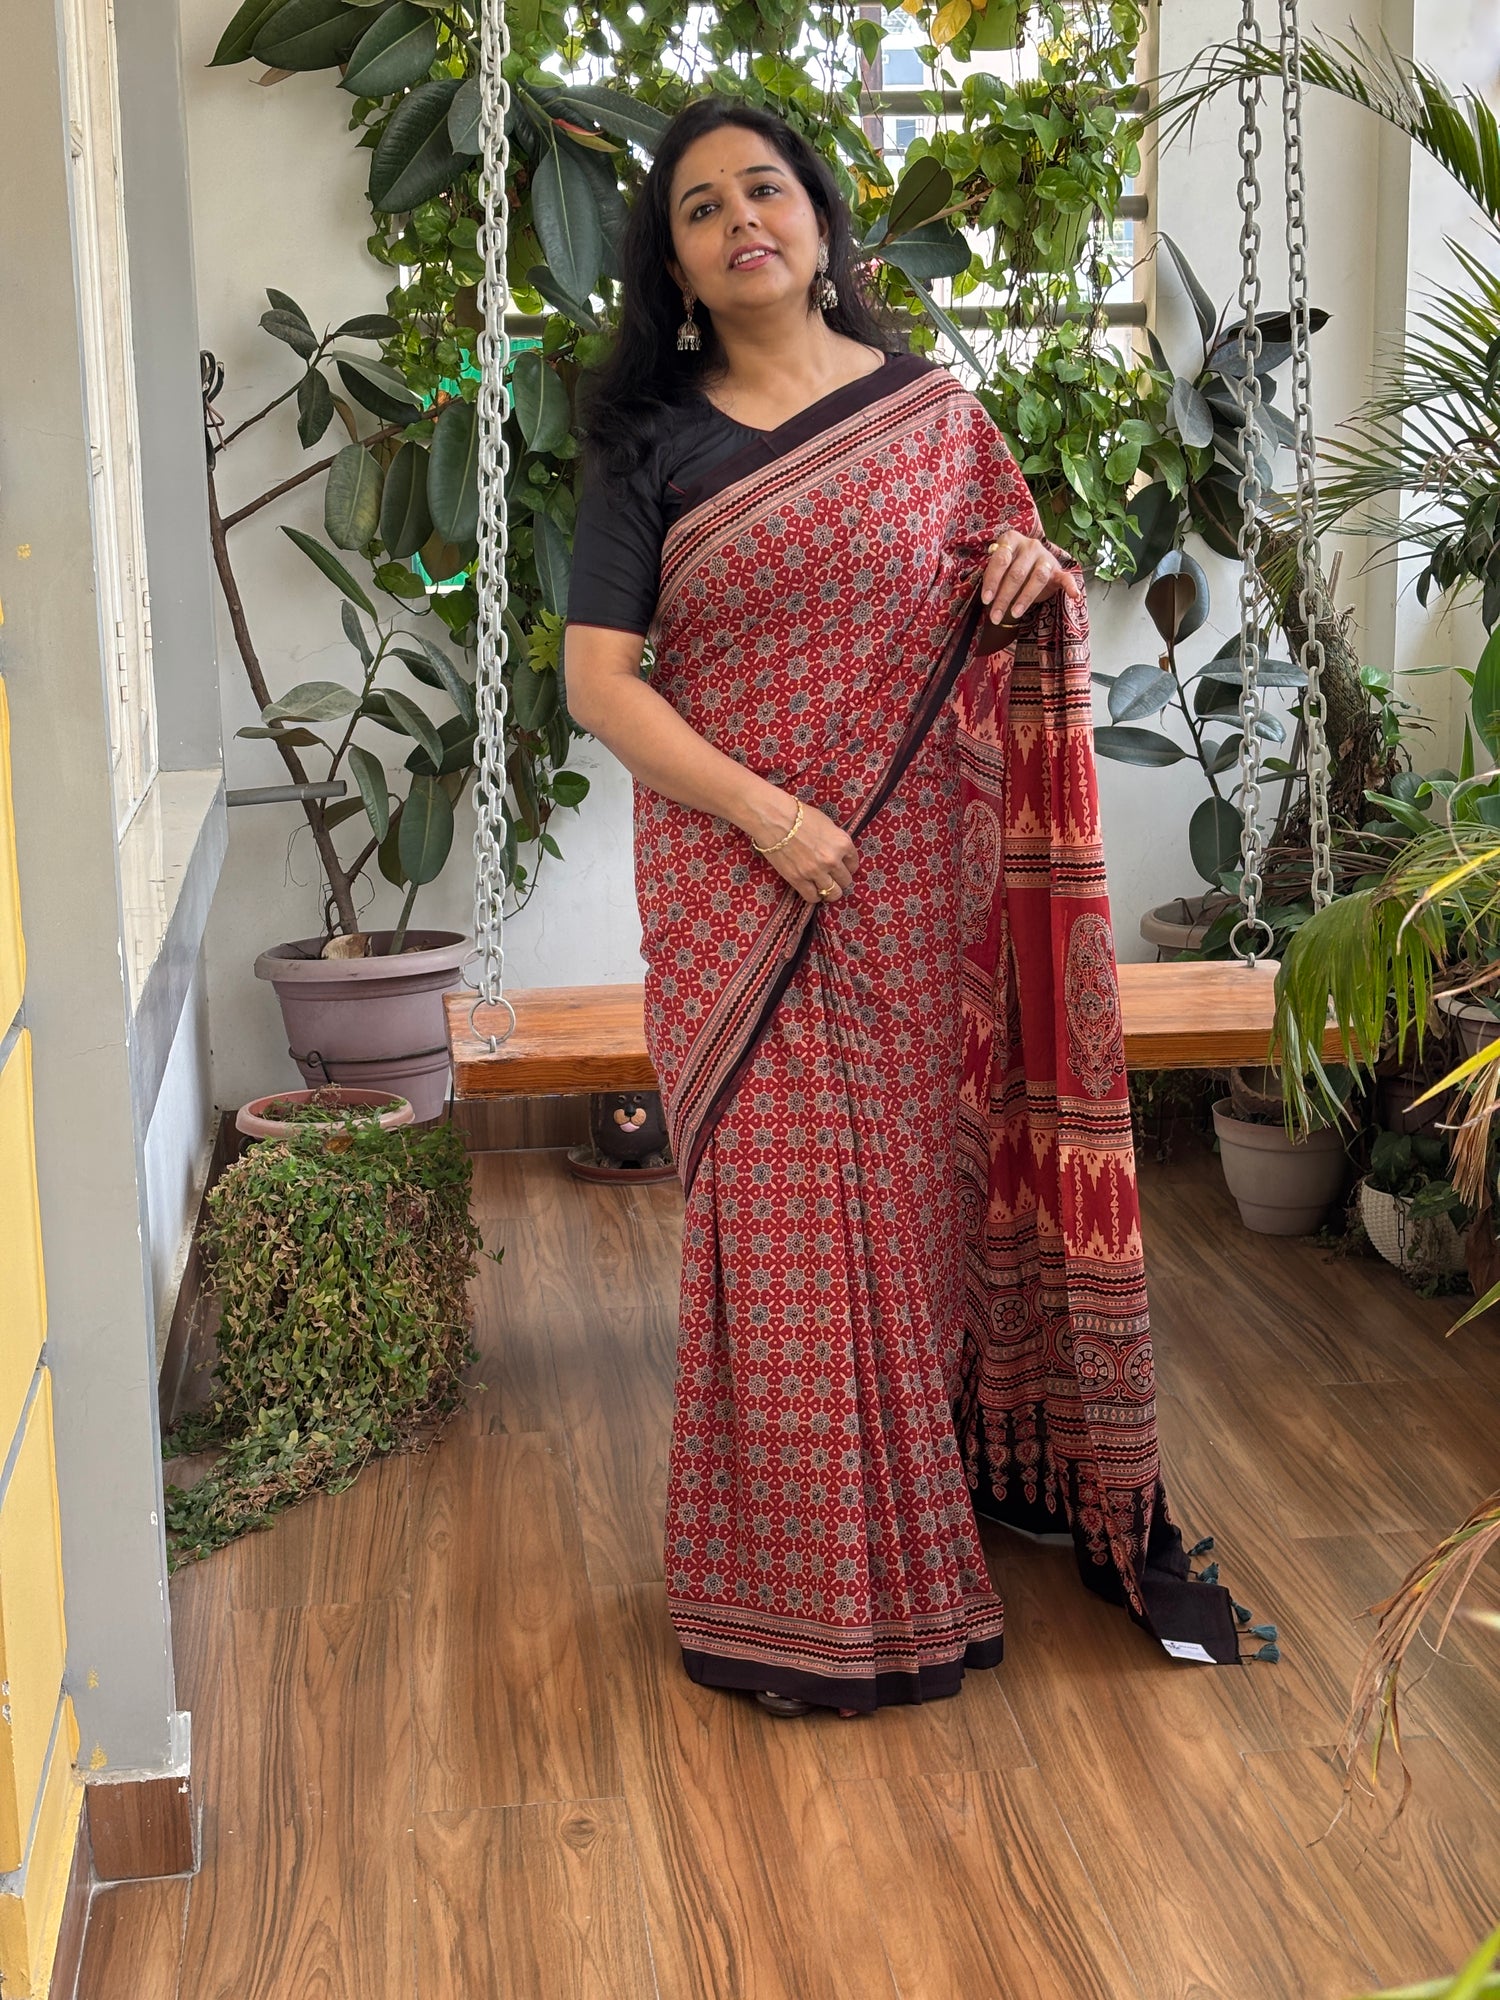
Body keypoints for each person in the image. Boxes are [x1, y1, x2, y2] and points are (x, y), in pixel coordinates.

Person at [563, 94, 1242, 1717]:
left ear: (820, 217)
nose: (743, 222)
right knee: (782, 1223)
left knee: (908, 1211)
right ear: (672, 266)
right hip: (741, 876)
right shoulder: (649, 446)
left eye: (767, 190)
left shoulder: (933, 416)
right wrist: (766, 811)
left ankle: (914, 1519)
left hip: (906, 876)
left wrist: (1033, 574)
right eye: (702, 209)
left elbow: (1008, 594)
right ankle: (798, 1598)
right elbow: (601, 684)